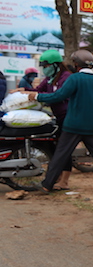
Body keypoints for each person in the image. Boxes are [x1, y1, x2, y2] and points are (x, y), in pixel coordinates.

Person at [25, 50, 93, 194]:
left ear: (76, 64)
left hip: (74, 125)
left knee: (60, 155)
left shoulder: (74, 78)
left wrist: (38, 97)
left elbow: (60, 95)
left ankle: (47, 185)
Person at [15, 50, 73, 189]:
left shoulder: (66, 78)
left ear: (55, 65)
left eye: (46, 66)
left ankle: (64, 181)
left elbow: (56, 96)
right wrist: (23, 90)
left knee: (64, 149)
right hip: (58, 116)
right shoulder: (50, 78)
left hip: (68, 117)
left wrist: (36, 96)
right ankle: (58, 177)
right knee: (57, 147)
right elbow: (39, 90)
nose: (44, 69)